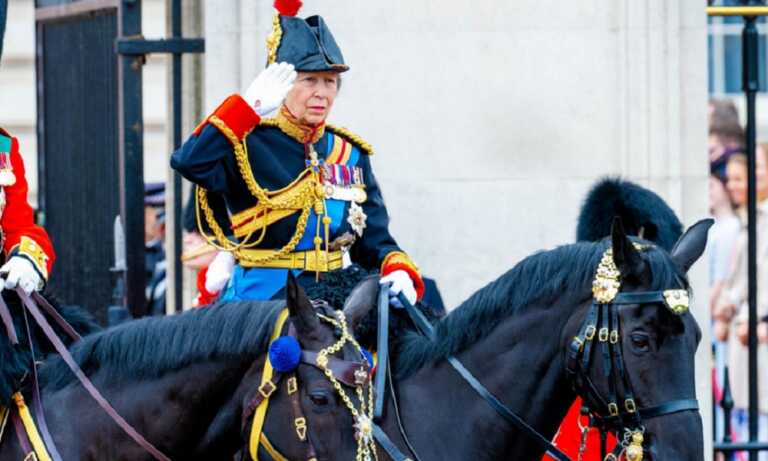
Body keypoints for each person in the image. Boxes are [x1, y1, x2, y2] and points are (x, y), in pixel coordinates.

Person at [171, 0, 423, 306]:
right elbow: (188, 161)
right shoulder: (246, 143)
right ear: (283, 86)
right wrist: (245, 110)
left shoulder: (350, 154)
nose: (321, 92)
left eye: (330, 82)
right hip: (262, 300)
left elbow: (374, 241)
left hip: (337, 296)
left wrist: (398, 270)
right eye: (309, 80)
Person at [713, 149, 768, 460]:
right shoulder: (751, 219)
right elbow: (742, 277)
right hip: (742, 332)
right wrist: (727, 306)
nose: (736, 184)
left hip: (757, 330)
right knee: (742, 420)